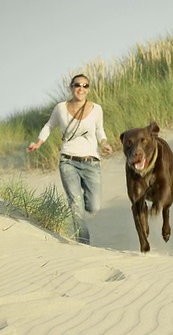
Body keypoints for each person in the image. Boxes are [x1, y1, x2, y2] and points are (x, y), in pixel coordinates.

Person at [26, 74, 113, 245]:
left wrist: (104, 143)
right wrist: (39, 142)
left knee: (93, 206)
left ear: (88, 89)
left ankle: (85, 215)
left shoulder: (96, 109)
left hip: (91, 162)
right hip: (68, 161)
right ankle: (84, 243)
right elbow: (49, 125)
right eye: (77, 85)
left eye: (85, 85)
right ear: (71, 87)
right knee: (75, 204)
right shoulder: (60, 108)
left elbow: (99, 130)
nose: (81, 88)